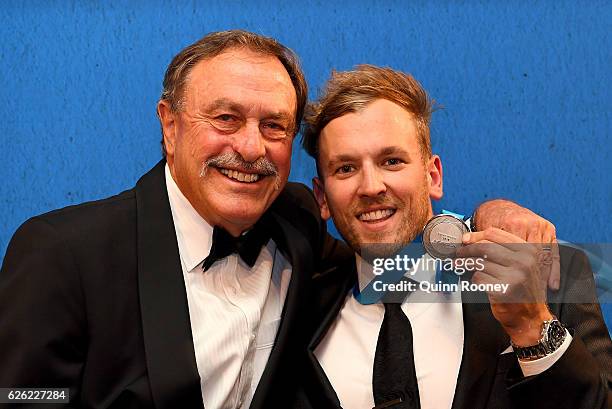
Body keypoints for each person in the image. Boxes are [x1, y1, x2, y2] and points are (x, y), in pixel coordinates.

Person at [0, 31, 563, 409]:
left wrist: (491, 217)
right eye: (225, 118)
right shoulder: (62, 253)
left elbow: (391, 231)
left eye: (274, 127)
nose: (249, 148)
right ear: (169, 126)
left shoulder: (296, 230)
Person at [299, 65, 612, 409]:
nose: (371, 186)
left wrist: (533, 329)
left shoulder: (553, 276)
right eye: (345, 168)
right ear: (322, 197)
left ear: (433, 176)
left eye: (391, 161)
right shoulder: (299, 308)